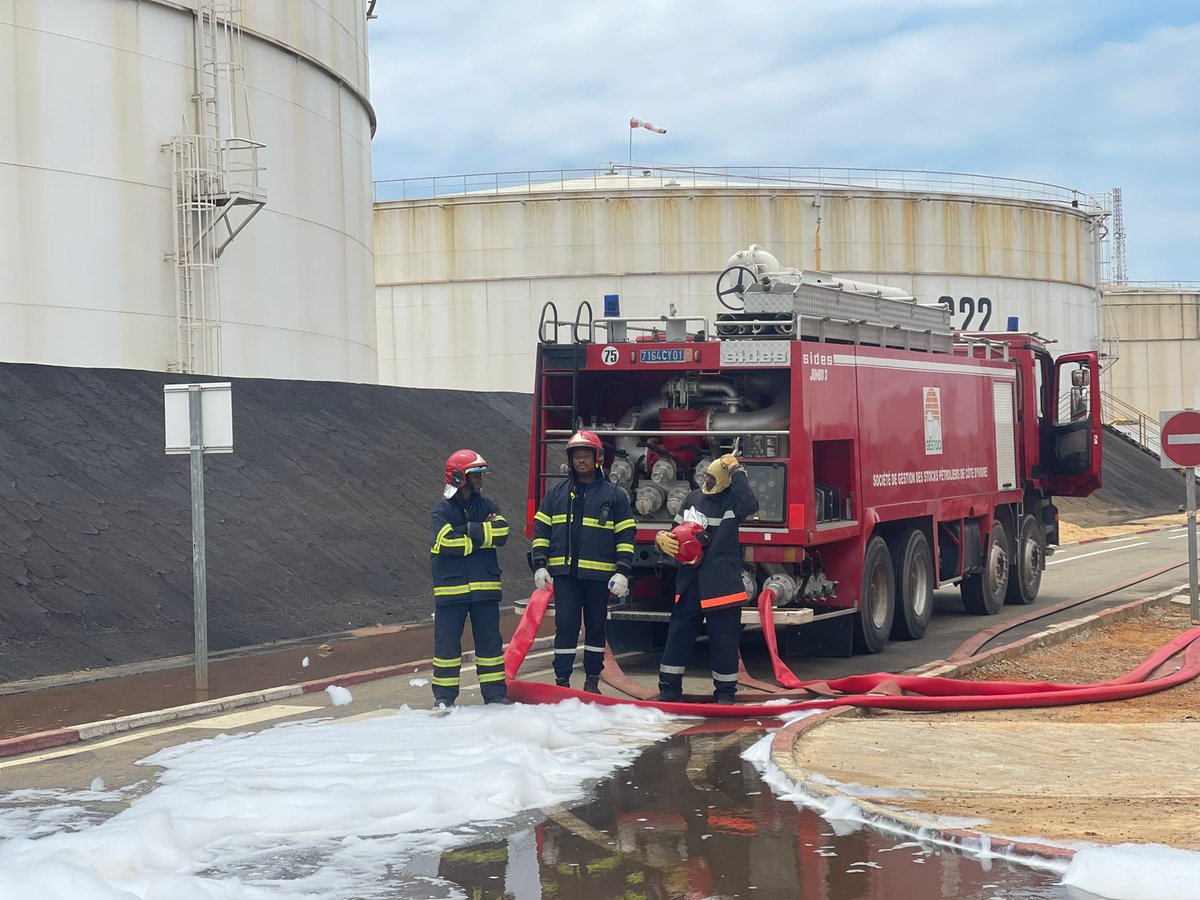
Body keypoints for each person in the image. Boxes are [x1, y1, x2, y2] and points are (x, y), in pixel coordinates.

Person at [531, 430, 636, 694]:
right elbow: (541, 531)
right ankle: (562, 682)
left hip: (599, 578)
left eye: (586, 455)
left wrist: (622, 571)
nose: (581, 461)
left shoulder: (615, 496)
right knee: (564, 628)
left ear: (597, 458)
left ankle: (592, 681)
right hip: (565, 577)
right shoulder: (556, 494)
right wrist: (540, 564)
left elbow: (625, 535)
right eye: (576, 456)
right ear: (570, 459)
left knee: (596, 630)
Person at [654, 453, 759, 704]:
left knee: (724, 641)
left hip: (721, 585)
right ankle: (669, 689)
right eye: (706, 477)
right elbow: (675, 533)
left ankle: (724, 694)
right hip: (690, 582)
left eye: (714, 477)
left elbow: (751, 504)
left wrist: (738, 473)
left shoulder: (734, 501)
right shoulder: (692, 499)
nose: (708, 481)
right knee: (678, 635)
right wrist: (661, 542)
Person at [429, 449, 512, 707]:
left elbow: (503, 533)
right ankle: (444, 698)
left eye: (481, 475)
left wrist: (467, 530)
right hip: (451, 591)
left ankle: (495, 695)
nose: (481, 480)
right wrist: (481, 536)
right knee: (447, 649)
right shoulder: (441, 511)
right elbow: (446, 542)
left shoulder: (489, 506)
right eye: (475, 475)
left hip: (485, 591)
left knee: (490, 646)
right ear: (458, 477)